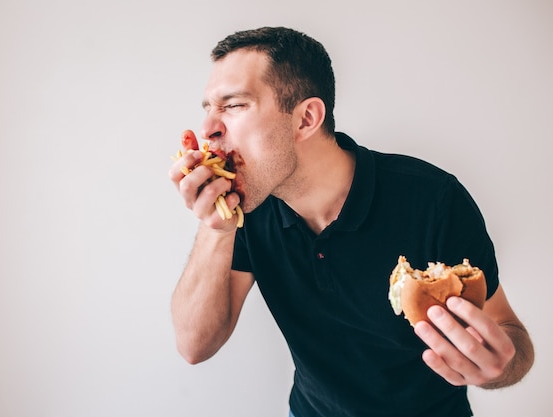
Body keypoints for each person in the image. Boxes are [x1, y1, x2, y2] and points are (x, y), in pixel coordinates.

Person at [168, 26, 534, 417]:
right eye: (208, 107)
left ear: (306, 118)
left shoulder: (433, 198)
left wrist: (495, 368)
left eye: (234, 105)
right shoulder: (248, 207)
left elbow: (511, 337)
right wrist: (215, 226)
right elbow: (194, 346)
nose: (208, 129)